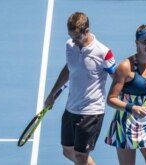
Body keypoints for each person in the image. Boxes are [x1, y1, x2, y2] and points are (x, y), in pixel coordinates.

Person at [44, 12, 117, 165]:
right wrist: (52, 93)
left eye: (77, 37)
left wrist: (125, 103)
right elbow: (69, 68)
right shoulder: (70, 45)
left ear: (86, 31)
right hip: (71, 108)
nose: (74, 40)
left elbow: (117, 80)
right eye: (71, 37)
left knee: (80, 157)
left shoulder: (104, 52)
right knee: (67, 150)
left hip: (91, 112)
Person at [104, 24, 146, 165]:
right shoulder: (125, 67)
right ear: (137, 43)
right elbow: (111, 99)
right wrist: (132, 108)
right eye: (145, 41)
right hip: (125, 123)